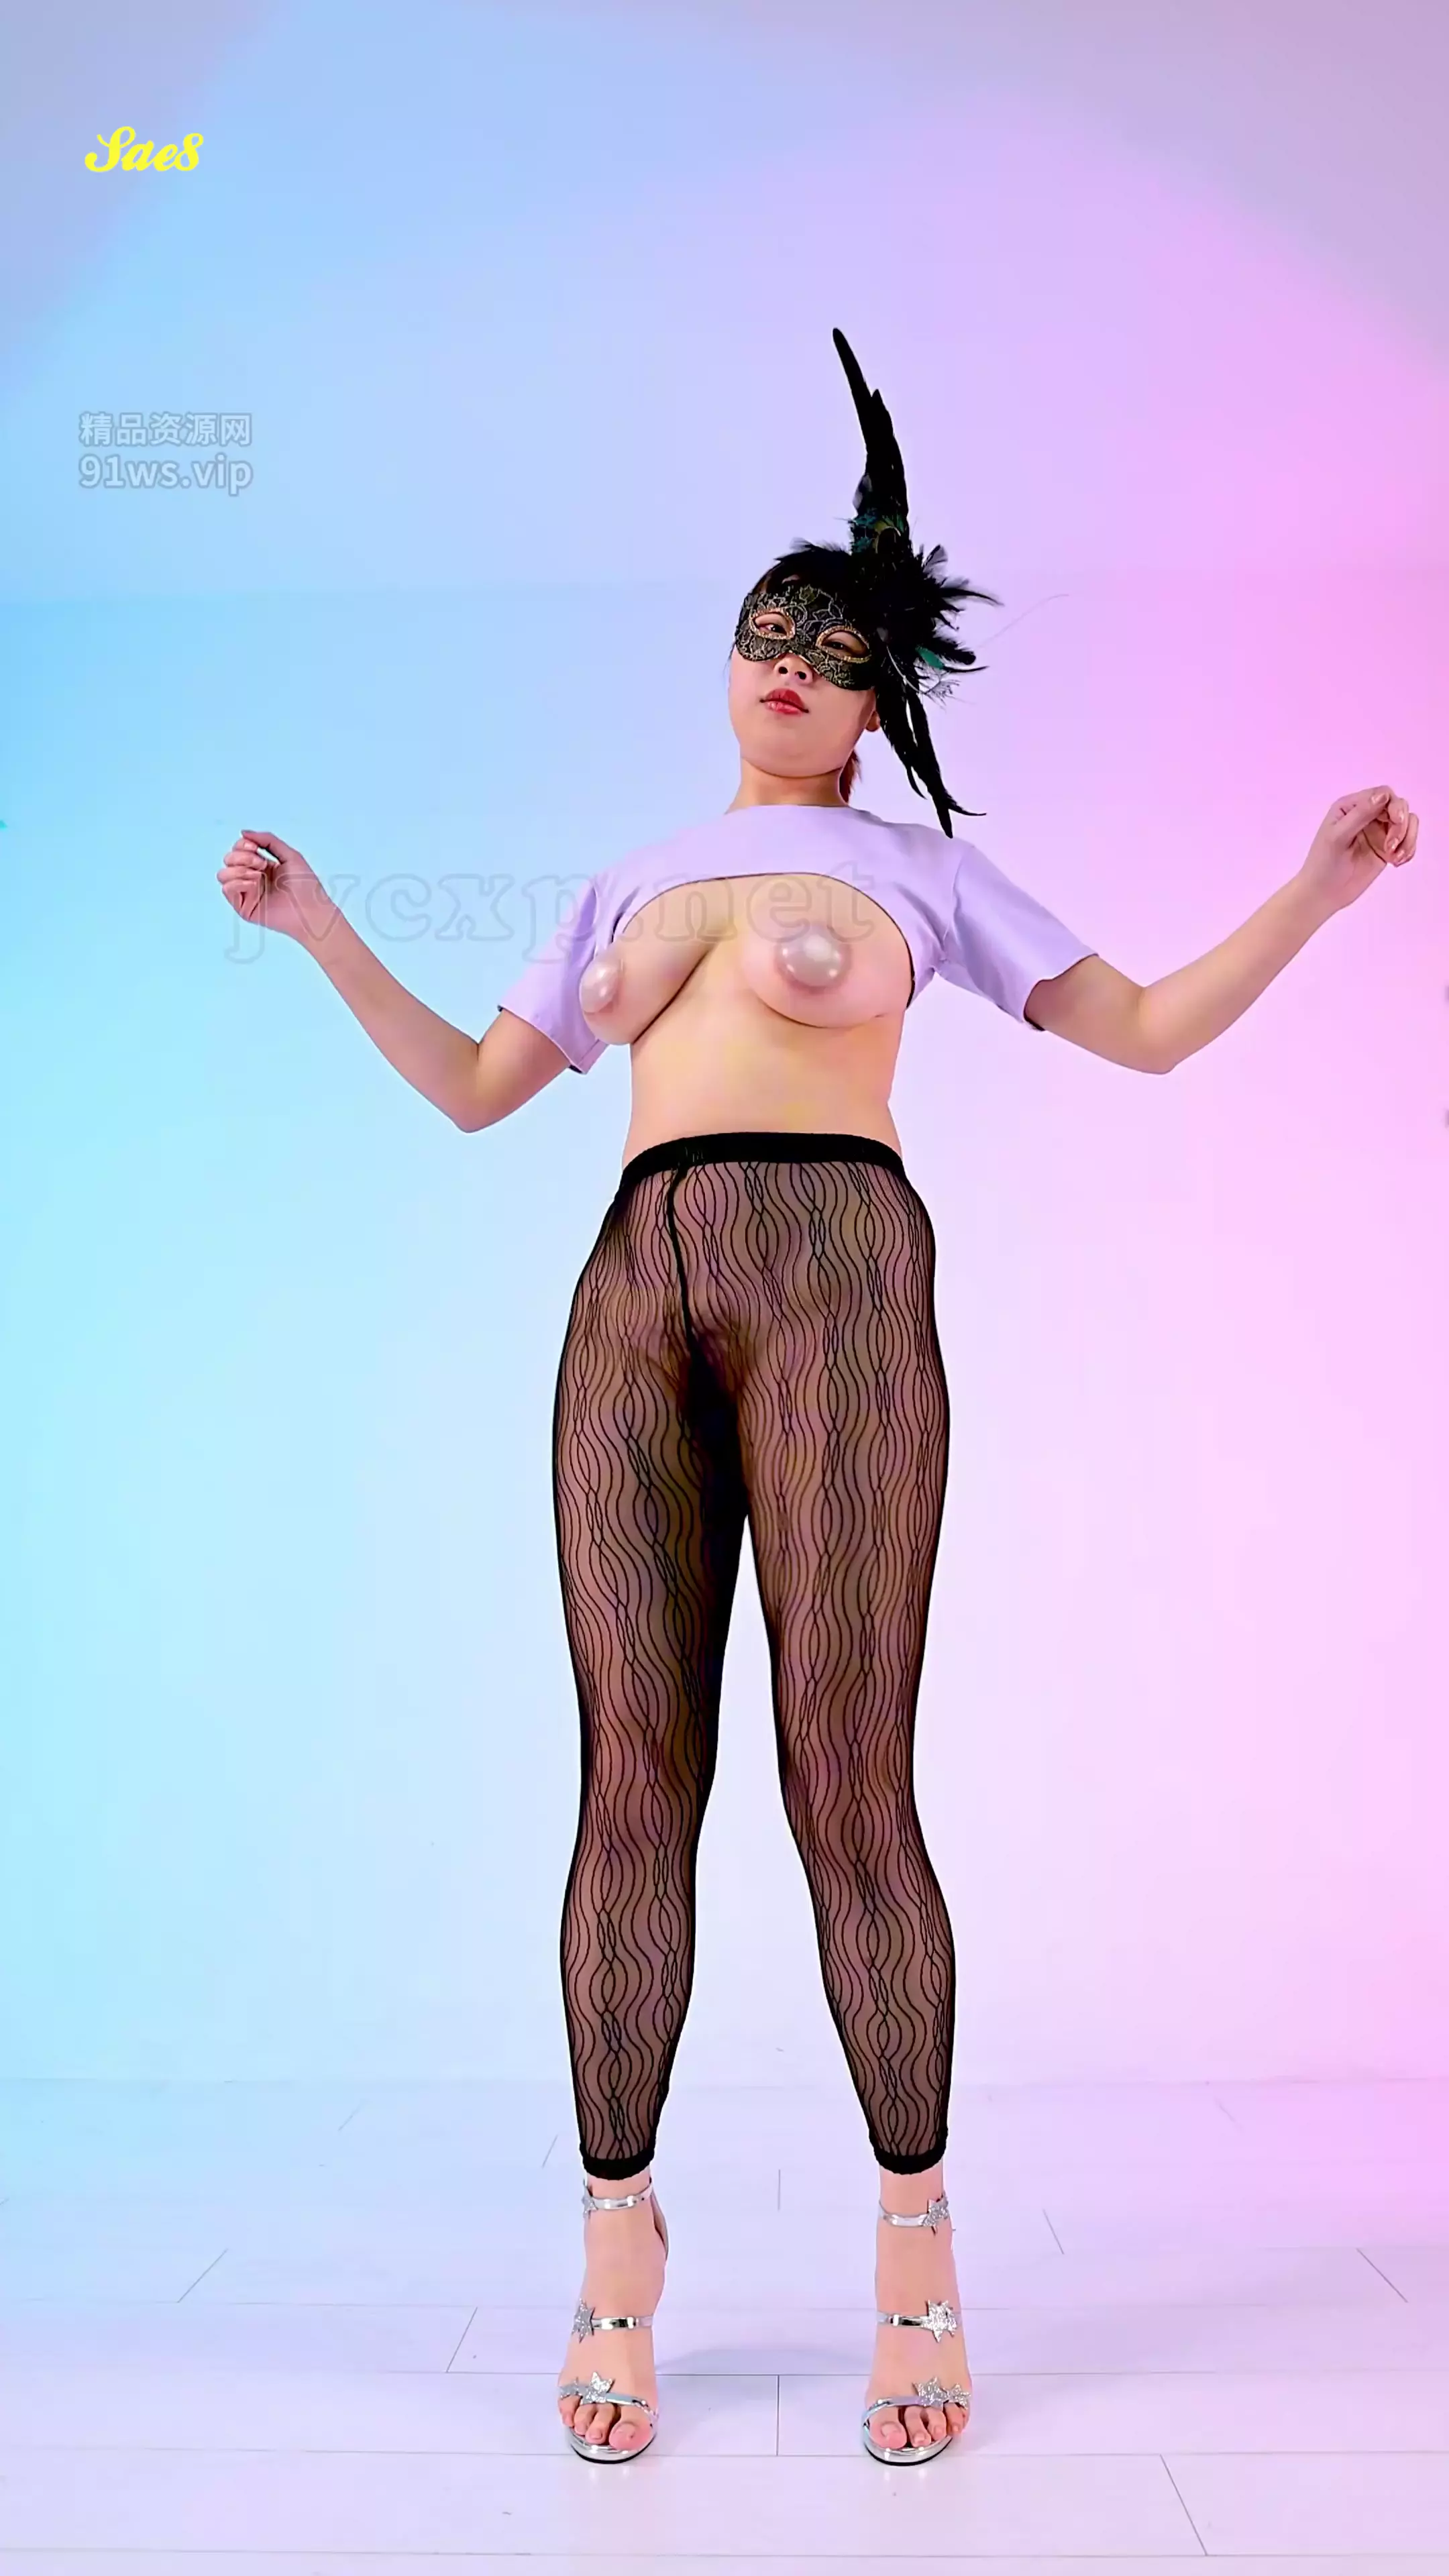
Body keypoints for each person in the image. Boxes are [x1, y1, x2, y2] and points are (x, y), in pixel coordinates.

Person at [217, 329, 1418, 2469]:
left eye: (830, 648)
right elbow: (484, 1089)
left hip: (846, 1281)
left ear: (884, 701)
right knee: (631, 1784)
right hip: (636, 1284)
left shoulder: (924, 876)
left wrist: (1320, 889)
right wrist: (318, 927)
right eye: (765, 635)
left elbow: (1144, 1028)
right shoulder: (629, 872)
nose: (786, 665)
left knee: (849, 1784)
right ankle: (616, 2247)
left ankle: (916, 2253)